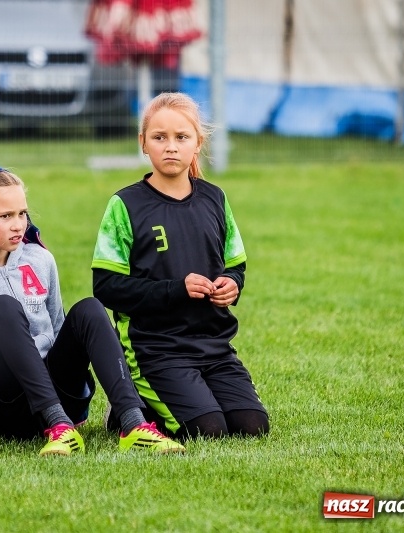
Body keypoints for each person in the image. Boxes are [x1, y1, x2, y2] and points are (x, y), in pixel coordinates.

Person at [0, 163, 185, 456]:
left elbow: (60, 329)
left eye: (22, 213)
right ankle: (57, 425)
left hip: (57, 394)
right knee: (4, 308)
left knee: (89, 308)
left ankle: (133, 422)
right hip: (2, 407)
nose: (18, 224)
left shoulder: (40, 259)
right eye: (5, 216)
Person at [91, 92, 270, 440]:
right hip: (157, 348)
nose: (170, 146)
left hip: (214, 346)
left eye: (181, 137)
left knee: (253, 426)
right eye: (159, 137)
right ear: (143, 143)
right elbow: (106, 286)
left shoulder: (215, 198)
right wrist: (175, 289)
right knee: (208, 431)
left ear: (197, 143)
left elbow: (235, 265)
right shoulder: (124, 205)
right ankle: (130, 406)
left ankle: (185, 394)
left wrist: (232, 284)